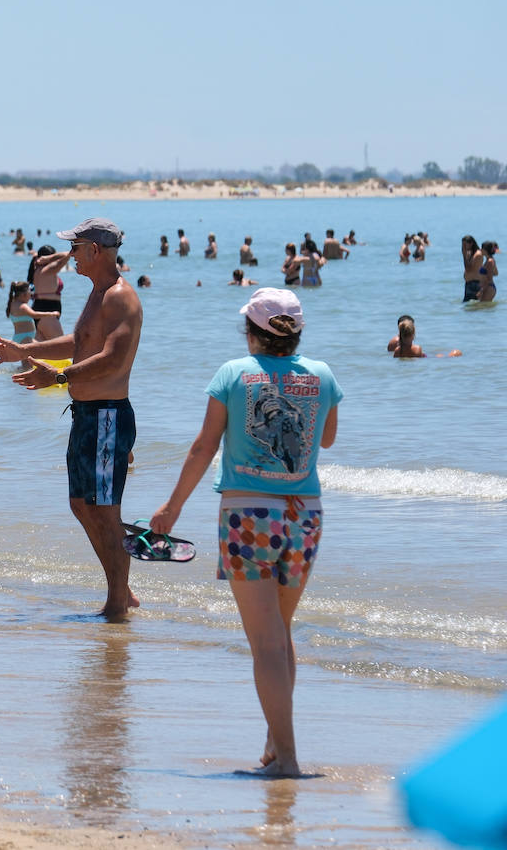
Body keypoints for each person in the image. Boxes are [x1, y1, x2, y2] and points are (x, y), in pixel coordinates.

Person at [149, 288, 342, 777]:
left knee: (266, 643)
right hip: (305, 516)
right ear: (296, 331)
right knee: (280, 634)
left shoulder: (233, 374)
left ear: (252, 332)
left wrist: (171, 508)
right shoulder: (321, 376)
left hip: (248, 515)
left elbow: (203, 447)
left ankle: (289, 759)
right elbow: (326, 438)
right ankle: (277, 744)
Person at [0, 217, 143, 619]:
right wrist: (26, 352)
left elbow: (112, 358)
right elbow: (81, 342)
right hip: (86, 415)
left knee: (105, 511)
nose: (70, 255)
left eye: (76, 247)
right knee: (80, 504)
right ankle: (121, 586)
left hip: (108, 417)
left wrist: (56, 375)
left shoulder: (121, 297)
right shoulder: (97, 293)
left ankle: (116, 603)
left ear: (96, 251)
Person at [29, 244, 68, 340]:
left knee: (43, 353)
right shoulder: (48, 269)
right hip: (47, 311)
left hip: (40, 310)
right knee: (62, 349)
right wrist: (49, 258)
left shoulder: (37, 271)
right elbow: (68, 254)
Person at [5, 280, 43, 347]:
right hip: (25, 338)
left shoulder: (12, 304)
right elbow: (34, 315)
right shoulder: (23, 306)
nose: (31, 294)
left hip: (19, 337)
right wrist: (51, 314)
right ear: (24, 294)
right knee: (42, 351)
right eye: (30, 291)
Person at [461, 235, 485, 302]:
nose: (463, 247)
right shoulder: (470, 253)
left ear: (471, 243)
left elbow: (469, 269)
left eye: (465, 245)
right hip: (468, 283)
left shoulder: (477, 255)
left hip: (475, 284)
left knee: (472, 307)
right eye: (463, 245)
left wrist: (464, 255)